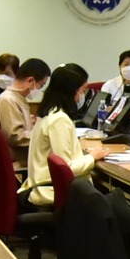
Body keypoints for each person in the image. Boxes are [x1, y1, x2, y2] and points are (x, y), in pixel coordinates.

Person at [23, 63, 96, 207]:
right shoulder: (59, 119)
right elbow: (66, 168)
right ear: (72, 90)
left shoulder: (48, 112)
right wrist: (93, 157)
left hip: (41, 185)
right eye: (83, 90)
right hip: (49, 191)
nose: (82, 96)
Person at [0, 57, 49, 149]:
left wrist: (30, 122)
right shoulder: (8, 100)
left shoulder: (18, 98)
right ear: (30, 81)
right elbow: (15, 136)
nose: (40, 89)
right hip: (17, 156)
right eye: (41, 85)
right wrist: (44, 135)